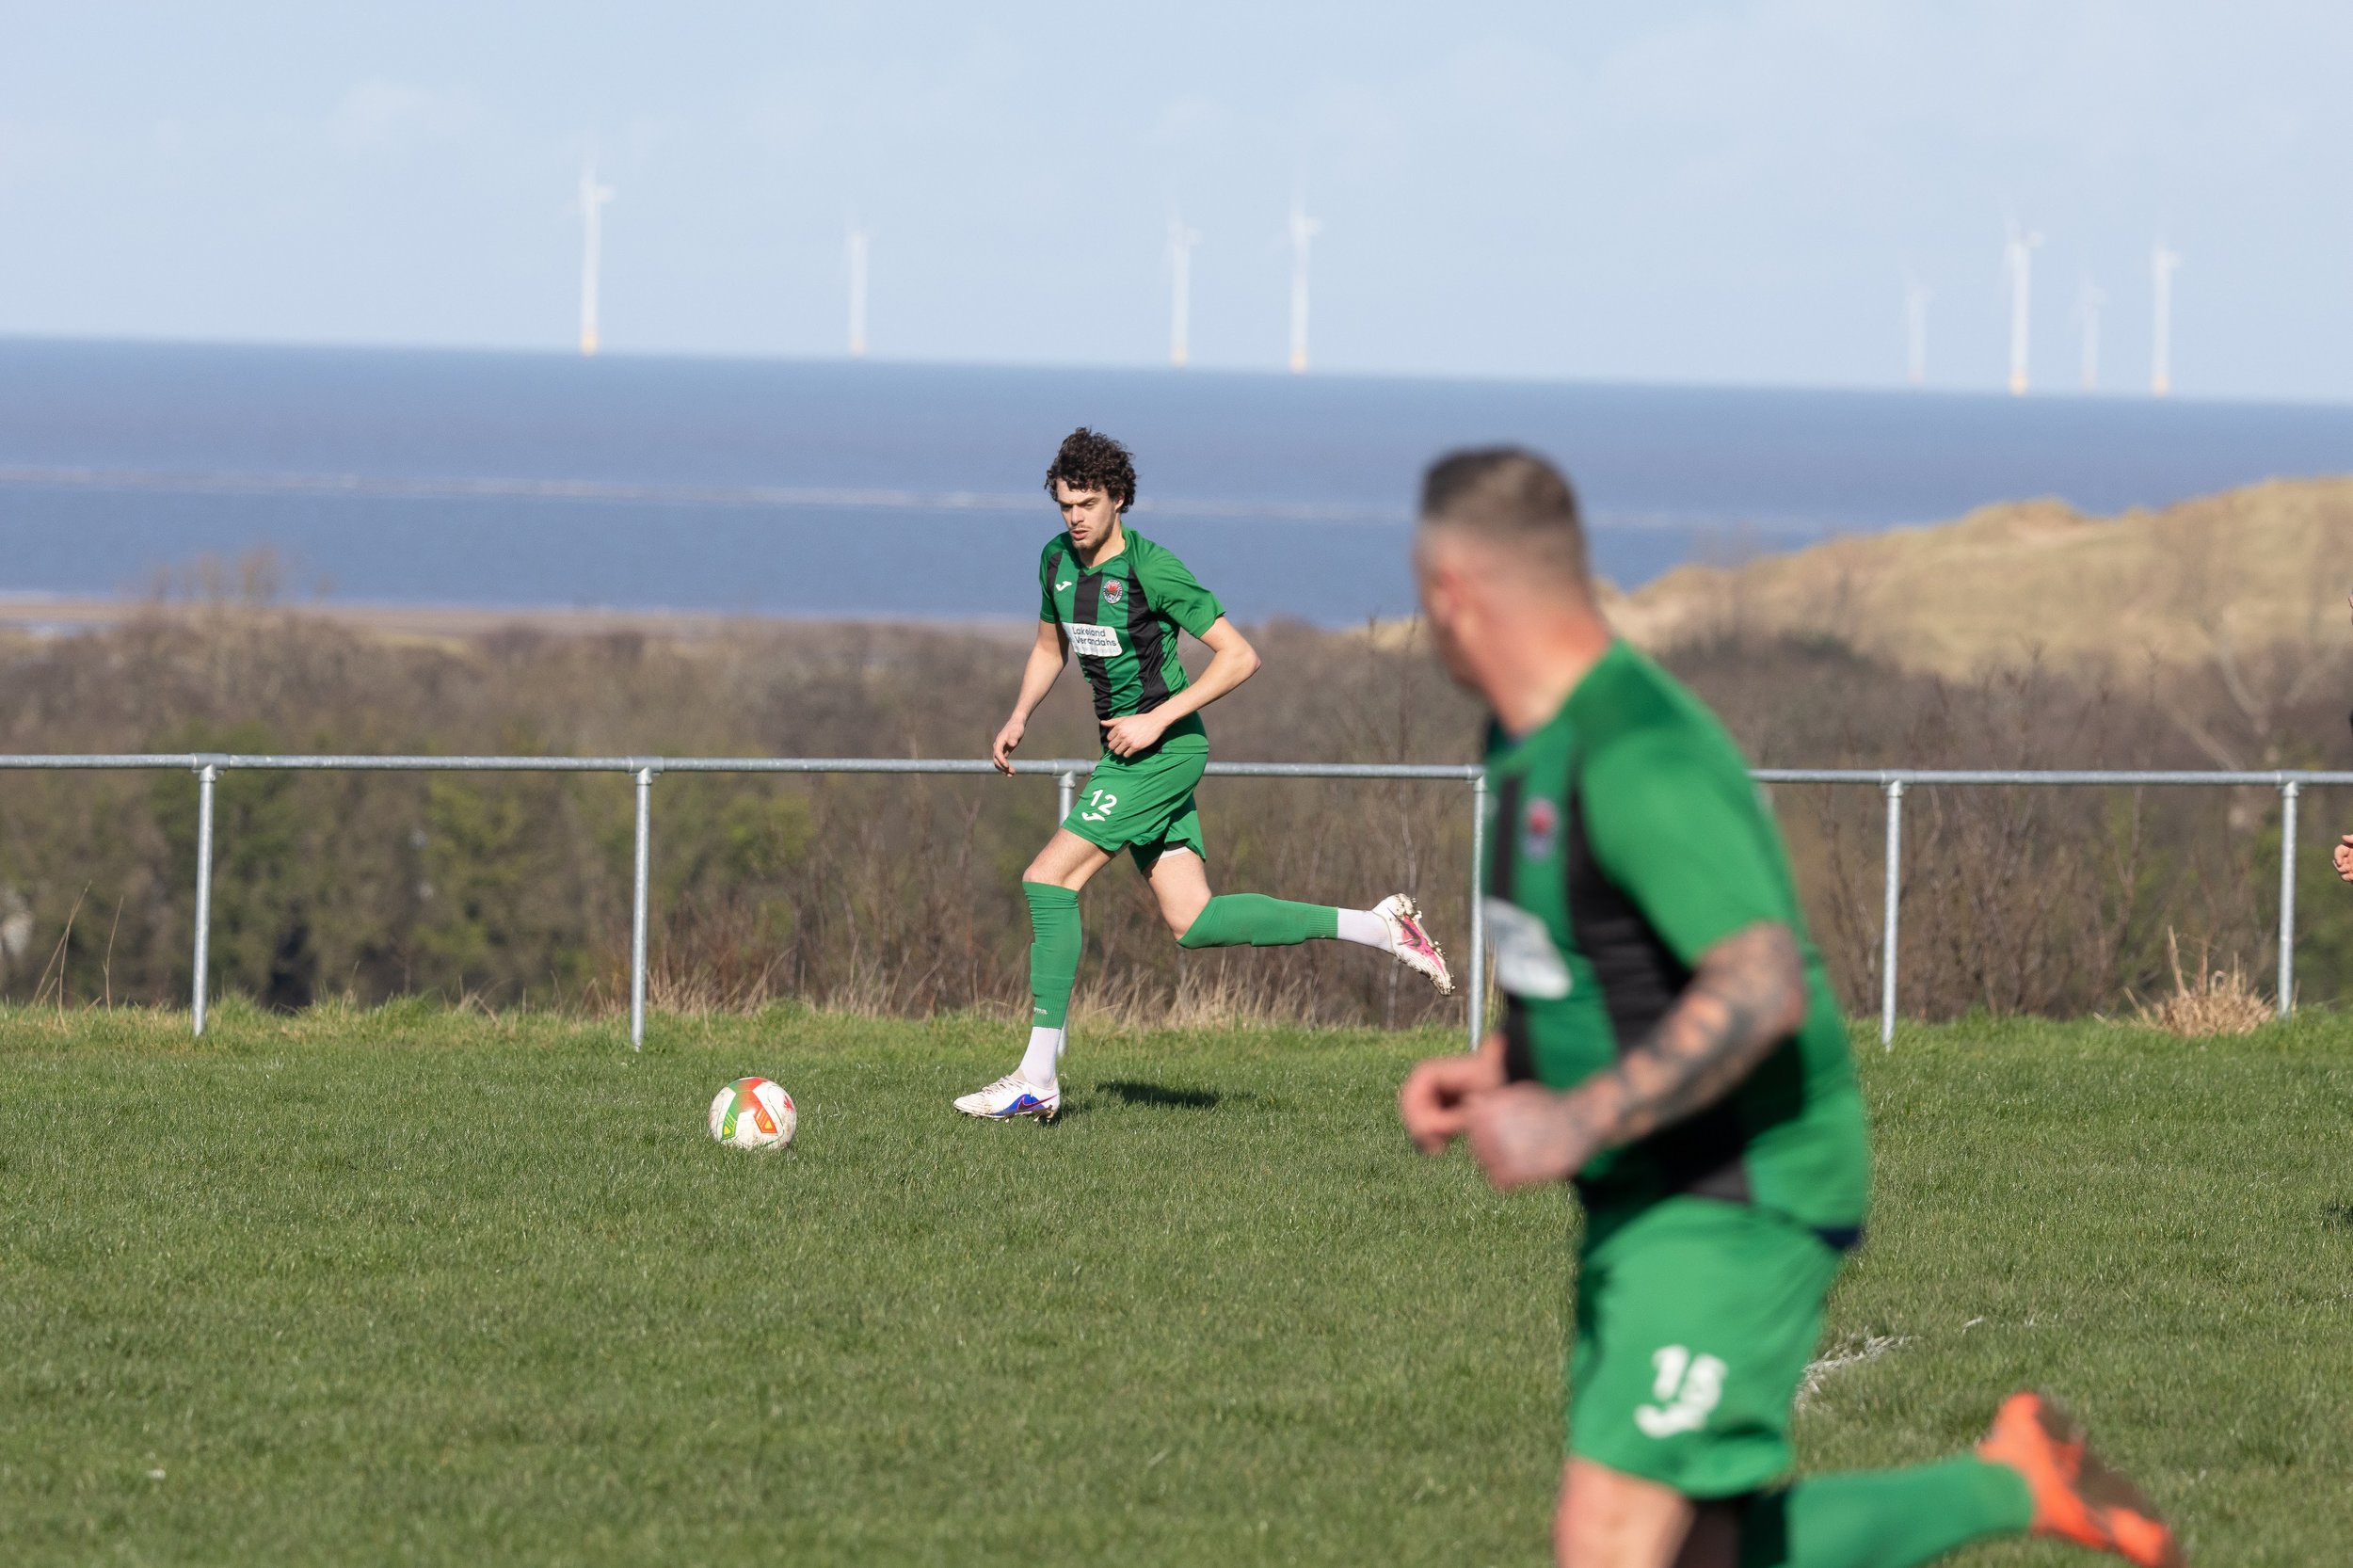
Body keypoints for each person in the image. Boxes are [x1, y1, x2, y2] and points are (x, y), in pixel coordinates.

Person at [1396, 448, 2182, 1568]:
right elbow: (1586, 949)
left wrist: (1572, 1119)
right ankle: (2013, 1478)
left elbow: (1758, 982)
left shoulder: (1639, 753)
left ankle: (2014, 1479)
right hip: (1645, 1180)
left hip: (1738, 1185)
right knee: (1695, 1550)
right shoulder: (1522, 736)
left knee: (1610, 1546)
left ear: (1449, 594)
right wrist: (1503, 1061)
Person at [954, 427, 1452, 1121]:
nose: (1074, 518)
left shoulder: (1154, 570)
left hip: (1162, 751)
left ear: (1119, 499)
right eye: (1065, 505)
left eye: (1088, 503)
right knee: (1194, 920)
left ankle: (1037, 1076)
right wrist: (1019, 714)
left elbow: (1240, 657)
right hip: (1125, 754)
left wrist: (1159, 719)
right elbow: (1049, 647)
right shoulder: (1055, 562)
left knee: (1048, 879)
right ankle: (1379, 927)